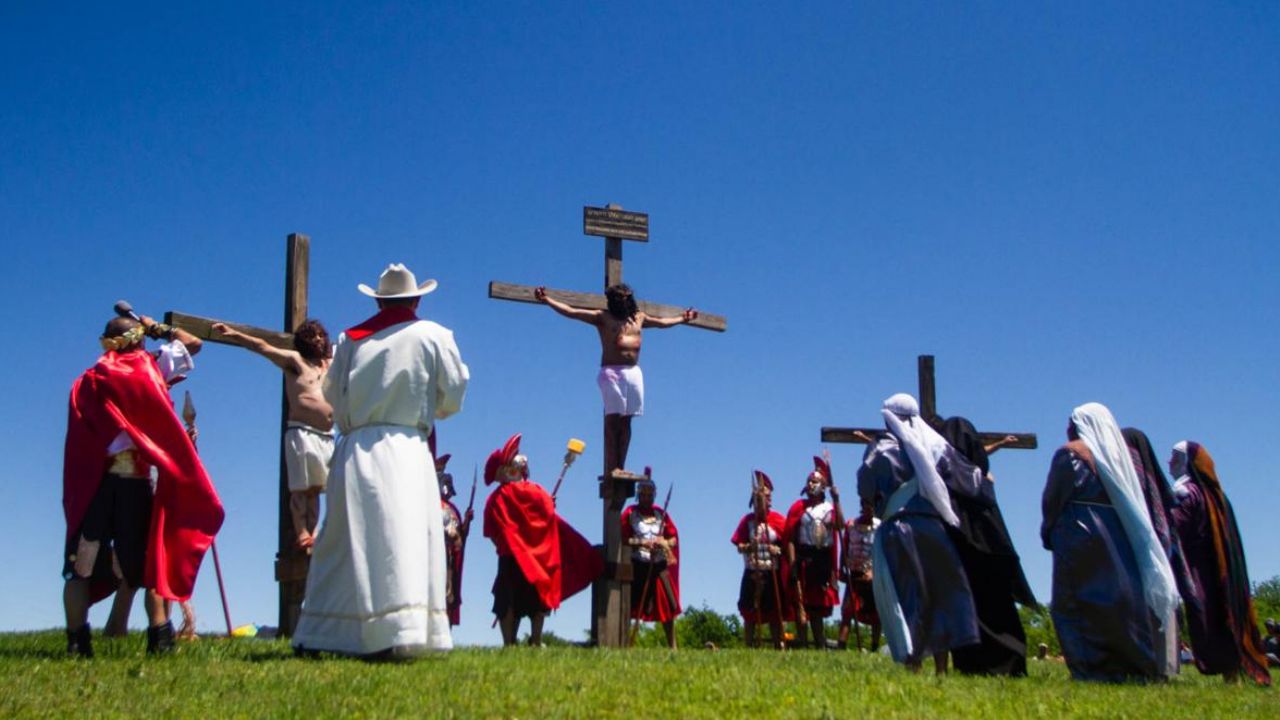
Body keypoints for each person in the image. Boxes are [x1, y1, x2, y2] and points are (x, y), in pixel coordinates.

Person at [292, 263, 468, 658]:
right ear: (416, 299)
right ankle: (398, 631)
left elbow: (332, 395)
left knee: (344, 539)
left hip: (356, 446)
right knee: (402, 537)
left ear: (377, 301)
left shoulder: (350, 340)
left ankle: (325, 631)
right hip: (406, 445)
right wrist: (431, 407)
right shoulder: (435, 335)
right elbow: (454, 393)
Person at [63, 312, 223, 656]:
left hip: (95, 488)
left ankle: (77, 644)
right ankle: (160, 639)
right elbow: (193, 343)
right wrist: (156, 326)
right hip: (135, 486)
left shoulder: (87, 382)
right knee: (151, 565)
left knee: (80, 568)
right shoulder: (152, 366)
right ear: (138, 339)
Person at [1040, 403, 1178, 682]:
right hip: (1118, 533)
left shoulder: (1070, 454)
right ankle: (1131, 664)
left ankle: (1090, 666)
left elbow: (1053, 499)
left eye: (1071, 423)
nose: (1068, 428)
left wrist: (1048, 530)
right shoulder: (1119, 458)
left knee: (1075, 600)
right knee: (1120, 601)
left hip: (1079, 532)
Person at [858, 394, 984, 674]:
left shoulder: (881, 449)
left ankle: (913, 664)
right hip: (934, 527)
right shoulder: (934, 444)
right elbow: (968, 477)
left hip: (899, 528)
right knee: (939, 594)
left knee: (908, 594)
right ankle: (941, 668)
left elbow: (865, 485)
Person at [533, 284, 696, 475]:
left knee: (627, 421)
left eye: (626, 297)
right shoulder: (603, 317)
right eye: (619, 298)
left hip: (633, 373)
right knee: (613, 420)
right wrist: (547, 300)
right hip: (611, 372)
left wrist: (682, 318)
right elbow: (571, 311)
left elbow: (662, 322)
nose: (623, 301)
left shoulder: (638, 318)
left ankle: (621, 466)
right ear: (612, 300)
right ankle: (612, 467)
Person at [212, 320, 334, 551]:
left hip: (326, 435)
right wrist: (234, 334)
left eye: (321, 335)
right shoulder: (295, 361)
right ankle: (301, 532)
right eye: (312, 336)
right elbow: (262, 346)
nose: (318, 339)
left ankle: (313, 532)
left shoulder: (330, 364)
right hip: (302, 431)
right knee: (301, 487)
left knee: (316, 488)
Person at [482, 434, 603, 646]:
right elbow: (542, 516)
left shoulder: (504, 496)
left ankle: (512, 643)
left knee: (514, 601)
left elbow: (493, 533)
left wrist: (505, 546)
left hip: (513, 556)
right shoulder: (529, 492)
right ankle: (534, 641)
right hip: (530, 557)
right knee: (522, 601)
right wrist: (548, 504)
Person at [940, 417, 1038, 677]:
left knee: (968, 606)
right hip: (991, 550)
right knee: (997, 607)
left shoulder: (943, 480)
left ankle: (971, 664)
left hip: (959, 552)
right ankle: (1009, 663)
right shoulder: (981, 478)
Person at [1168, 441, 1271, 685]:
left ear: (1186, 463)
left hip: (1198, 569)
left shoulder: (1186, 493)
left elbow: (1175, 527)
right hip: (1222, 570)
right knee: (1223, 616)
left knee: (1206, 618)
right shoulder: (1218, 497)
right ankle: (1232, 675)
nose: (1169, 462)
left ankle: (1229, 672)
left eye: (1174, 457)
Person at [1121, 427, 1186, 679]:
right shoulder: (1158, 483)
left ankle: (1154, 668)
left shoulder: (1133, 472)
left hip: (1146, 551)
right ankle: (1164, 667)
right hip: (1161, 554)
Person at [783, 456, 842, 649]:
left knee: (817, 606)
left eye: (815, 481)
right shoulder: (798, 508)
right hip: (803, 559)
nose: (810, 484)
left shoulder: (830, 509)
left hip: (822, 560)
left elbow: (840, 526)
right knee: (801, 603)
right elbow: (790, 538)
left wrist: (837, 500)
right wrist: (792, 563)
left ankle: (819, 644)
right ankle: (802, 643)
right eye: (809, 481)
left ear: (823, 486)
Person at [731, 471, 789, 649]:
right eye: (756, 499)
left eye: (763, 499)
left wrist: (777, 550)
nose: (759, 503)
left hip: (772, 572)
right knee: (749, 613)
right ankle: (749, 647)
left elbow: (787, 546)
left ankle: (779, 647)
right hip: (752, 571)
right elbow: (739, 546)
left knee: (774, 614)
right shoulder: (747, 521)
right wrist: (750, 547)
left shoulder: (778, 521)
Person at [622, 478, 681, 648]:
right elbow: (624, 539)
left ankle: (673, 647)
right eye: (644, 495)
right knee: (630, 606)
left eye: (650, 495)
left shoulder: (661, 514)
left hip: (658, 564)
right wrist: (642, 543)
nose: (647, 498)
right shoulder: (630, 513)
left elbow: (673, 539)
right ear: (638, 495)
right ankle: (624, 644)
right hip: (638, 563)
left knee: (667, 606)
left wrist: (663, 542)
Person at [838, 499, 880, 651]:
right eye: (867, 505)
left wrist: (874, 572)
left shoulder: (880, 527)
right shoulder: (851, 525)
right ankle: (841, 646)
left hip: (872, 576)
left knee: (876, 615)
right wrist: (841, 569)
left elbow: (882, 552)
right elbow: (845, 548)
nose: (869, 508)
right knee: (848, 612)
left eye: (872, 505)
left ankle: (874, 647)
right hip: (854, 575)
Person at [436, 454, 473, 627]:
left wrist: (466, 522)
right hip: (437, 555)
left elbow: (459, 537)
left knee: (448, 592)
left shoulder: (451, 509)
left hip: (448, 557)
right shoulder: (434, 506)